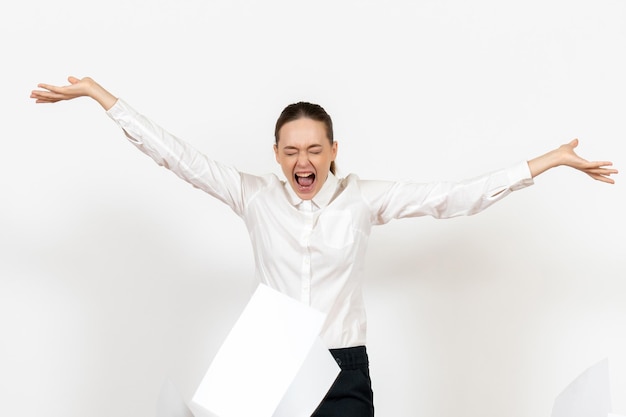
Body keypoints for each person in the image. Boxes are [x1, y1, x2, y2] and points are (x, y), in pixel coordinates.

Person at [30, 76, 617, 417]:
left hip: (341, 367)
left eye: (313, 149)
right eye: (290, 151)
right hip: (269, 357)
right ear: (277, 154)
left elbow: (454, 197)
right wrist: (101, 97)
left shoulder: (363, 200)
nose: (302, 162)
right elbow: (177, 156)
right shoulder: (253, 196)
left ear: (333, 150)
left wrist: (548, 162)